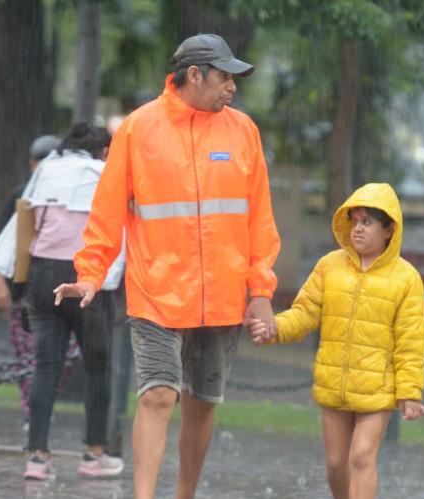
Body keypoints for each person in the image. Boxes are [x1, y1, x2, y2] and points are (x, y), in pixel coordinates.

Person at [53, 33, 280, 498]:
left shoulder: (244, 132)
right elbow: (107, 211)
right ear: (193, 75)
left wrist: (261, 293)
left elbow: (261, 220)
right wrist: (90, 275)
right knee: (158, 395)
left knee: (201, 405)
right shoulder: (138, 129)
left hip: (223, 296)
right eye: (224, 77)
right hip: (156, 293)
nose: (232, 87)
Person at [249, 183, 424, 499]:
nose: (357, 229)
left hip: (378, 388)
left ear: (389, 230)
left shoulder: (407, 278)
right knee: (335, 464)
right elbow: (304, 314)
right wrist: (274, 327)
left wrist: (410, 392)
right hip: (334, 384)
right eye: (355, 221)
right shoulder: (329, 266)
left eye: (367, 222)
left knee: (361, 456)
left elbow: (411, 341)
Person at [20, 123, 125, 479]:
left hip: (44, 274)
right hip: (89, 277)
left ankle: (37, 456)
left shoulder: (47, 169)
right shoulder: (105, 172)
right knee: (98, 366)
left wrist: (21, 282)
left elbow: (26, 220)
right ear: (101, 149)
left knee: (46, 366)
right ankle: (94, 454)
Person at [0, 134, 78, 425]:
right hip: (24, 291)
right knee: (29, 355)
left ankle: (40, 407)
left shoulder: (73, 195)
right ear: (31, 165)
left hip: (64, 289)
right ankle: (33, 416)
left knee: (65, 357)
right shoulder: (21, 195)